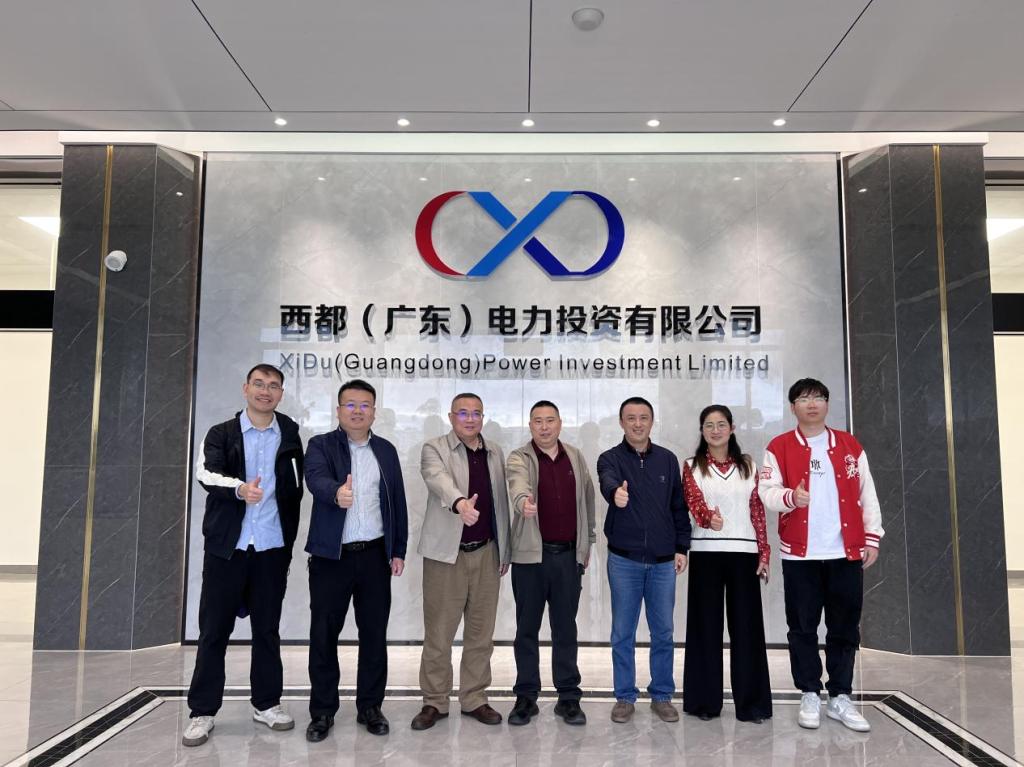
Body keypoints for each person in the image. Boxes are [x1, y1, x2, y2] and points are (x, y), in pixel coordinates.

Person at [183, 364, 305, 747]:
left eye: (273, 386)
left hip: (271, 548)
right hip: (227, 549)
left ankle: (266, 704)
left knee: (267, 630)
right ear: (245, 388)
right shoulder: (221, 433)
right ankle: (202, 711)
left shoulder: (290, 434)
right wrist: (239, 490)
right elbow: (205, 473)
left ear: (281, 393)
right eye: (259, 384)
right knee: (214, 631)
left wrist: (289, 540)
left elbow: (295, 489)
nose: (265, 391)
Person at [759, 378, 883, 733]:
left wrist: (871, 537)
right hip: (801, 555)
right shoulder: (779, 447)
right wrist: (791, 498)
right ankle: (810, 692)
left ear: (827, 404)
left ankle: (840, 695)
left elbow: (867, 492)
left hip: (845, 551)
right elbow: (766, 490)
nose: (811, 404)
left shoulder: (848, 445)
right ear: (792, 407)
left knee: (844, 627)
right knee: (802, 627)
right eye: (803, 398)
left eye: (818, 398)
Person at [302, 379, 408, 741]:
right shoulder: (321, 445)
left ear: (374, 412)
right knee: (323, 635)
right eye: (350, 404)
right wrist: (336, 493)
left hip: (375, 556)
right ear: (338, 410)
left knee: (374, 635)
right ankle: (322, 712)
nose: (357, 411)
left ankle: (370, 707)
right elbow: (315, 479)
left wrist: (397, 549)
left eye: (365, 405)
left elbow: (397, 501)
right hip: (331, 557)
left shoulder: (386, 450)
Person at [412, 393, 512, 730]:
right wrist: (459, 503)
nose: (470, 419)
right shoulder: (434, 448)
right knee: (439, 633)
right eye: (463, 413)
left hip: (486, 552)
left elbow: (501, 503)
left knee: (481, 633)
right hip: (446, 555)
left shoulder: (494, 452)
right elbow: (437, 479)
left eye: (476, 413)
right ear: (451, 416)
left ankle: (474, 698)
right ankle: (435, 701)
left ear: (483, 417)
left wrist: (505, 549)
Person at [596, 396, 690, 724]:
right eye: (631, 418)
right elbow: (607, 480)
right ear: (621, 422)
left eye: (643, 418)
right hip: (624, 561)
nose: (637, 424)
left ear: (652, 421)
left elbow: (678, 506)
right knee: (623, 632)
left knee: (663, 631)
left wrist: (682, 547)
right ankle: (624, 696)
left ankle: (662, 695)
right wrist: (615, 493)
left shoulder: (667, 460)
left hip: (664, 562)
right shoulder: (610, 458)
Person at [505, 400, 596, 726]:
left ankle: (568, 697)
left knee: (565, 629)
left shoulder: (575, 456)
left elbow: (587, 498)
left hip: (567, 557)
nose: (544, 427)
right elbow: (517, 484)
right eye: (537, 421)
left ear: (560, 423)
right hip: (531, 558)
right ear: (530, 425)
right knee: (526, 629)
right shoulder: (519, 457)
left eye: (550, 420)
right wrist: (522, 503)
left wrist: (588, 541)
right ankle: (526, 697)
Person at [681, 404, 772, 724]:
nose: (715, 430)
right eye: (709, 425)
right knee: (704, 627)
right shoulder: (691, 466)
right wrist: (708, 519)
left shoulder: (749, 466)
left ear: (732, 428)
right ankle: (704, 702)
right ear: (702, 431)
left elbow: (757, 511)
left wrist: (764, 552)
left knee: (747, 628)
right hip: (706, 552)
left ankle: (752, 705)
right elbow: (693, 502)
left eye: (721, 424)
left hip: (744, 553)